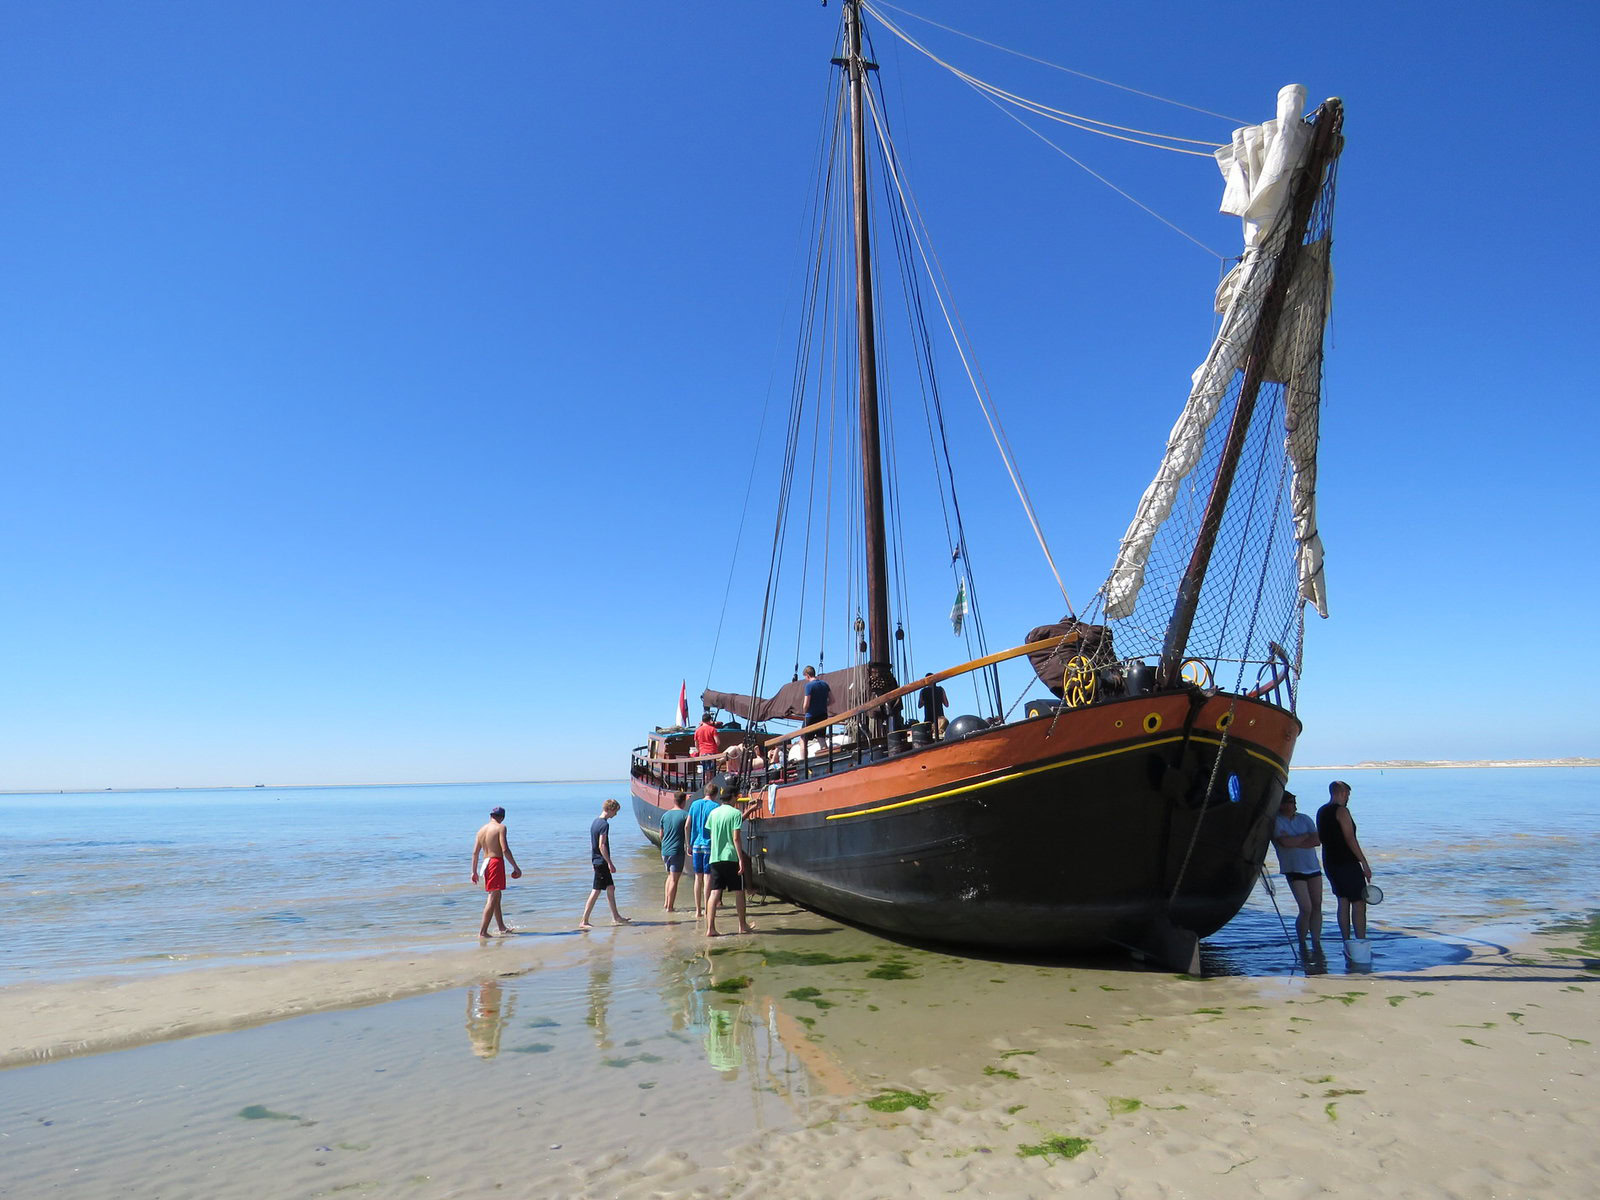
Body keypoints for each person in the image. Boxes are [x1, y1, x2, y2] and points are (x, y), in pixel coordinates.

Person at [1316, 780, 1373, 955]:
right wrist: (1364, 862)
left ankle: (1346, 942)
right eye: (1347, 794)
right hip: (1347, 862)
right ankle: (1361, 943)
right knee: (1358, 902)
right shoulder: (1342, 811)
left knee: (1342, 900)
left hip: (1330, 862)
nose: (1348, 798)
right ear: (1341, 793)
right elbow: (1350, 838)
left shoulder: (1321, 811)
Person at [1270, 791, 1323, 956]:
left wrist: (1296, 840)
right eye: (1286, 802)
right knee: (1305, 908)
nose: (1290, 805)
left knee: (1317, 906)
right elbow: (1284, 843)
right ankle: (1301, 941)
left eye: (1292, 802)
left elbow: (1316, 840)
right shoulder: (1276, 821)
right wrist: (1303, 838)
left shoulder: (1304, 818)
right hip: (1293, 869)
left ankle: (1316, 941)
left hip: (1313, 867)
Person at [704, 773, 755, 937]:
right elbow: (736, 838)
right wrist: (741, 859)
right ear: (733, 797)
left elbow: (712, 835)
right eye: (737, 797)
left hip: (715, 857)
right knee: (739, 892)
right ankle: (742, 925)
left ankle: (710, 928)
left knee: (714, 892)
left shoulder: (714, 813)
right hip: (731, 857)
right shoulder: (735, 814)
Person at [579, 799, 632, 930]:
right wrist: (610, 863)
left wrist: (594, 861)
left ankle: (616, 917)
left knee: (610, 888)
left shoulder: (595, 822)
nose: (616, 815)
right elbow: (601, 845)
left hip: (597, 861)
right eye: (615, 811)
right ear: (610, 809)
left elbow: (592, 845)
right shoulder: (603, 824)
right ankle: (584, 921)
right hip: (601, 862)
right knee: (596, 891)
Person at [471, 805, 522, 938]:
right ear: (502, 818)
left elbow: (475, 853)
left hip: (485, 863)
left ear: (490, 816)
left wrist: (474, 872)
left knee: (497, 895)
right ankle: (482, 932)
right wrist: (516, 867)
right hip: (495, 862)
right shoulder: (501, 828)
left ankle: (501, 927)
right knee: (493, 897)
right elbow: (504, 849)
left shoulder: (481, 830)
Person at [687, 784, 720, 919]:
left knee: (697, 877)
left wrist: (688, 844)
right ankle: (707, 909)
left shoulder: (694, 804)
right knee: (707, 878)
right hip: (709, 845)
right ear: (715, 794)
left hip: (695, 845)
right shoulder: (716, 807)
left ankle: (697, 910)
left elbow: (687, 825)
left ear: (704, 792)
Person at [660, 791, 689, 912]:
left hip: (665, 850)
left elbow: (661, 835)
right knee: (674, 879)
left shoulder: (665, 815)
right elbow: (688, 830)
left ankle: (666, 903)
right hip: (676, 850)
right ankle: (670, 907)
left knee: (669, 877)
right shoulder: (685, 815)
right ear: (684, 801)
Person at [917, 674, 950, 738]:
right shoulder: (940, 690)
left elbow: (919, 705)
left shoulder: (923, 691)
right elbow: (946, 704)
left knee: (929, 737)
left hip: (928, 720)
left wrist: (926, 700)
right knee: (941, 736)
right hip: (940, 720)